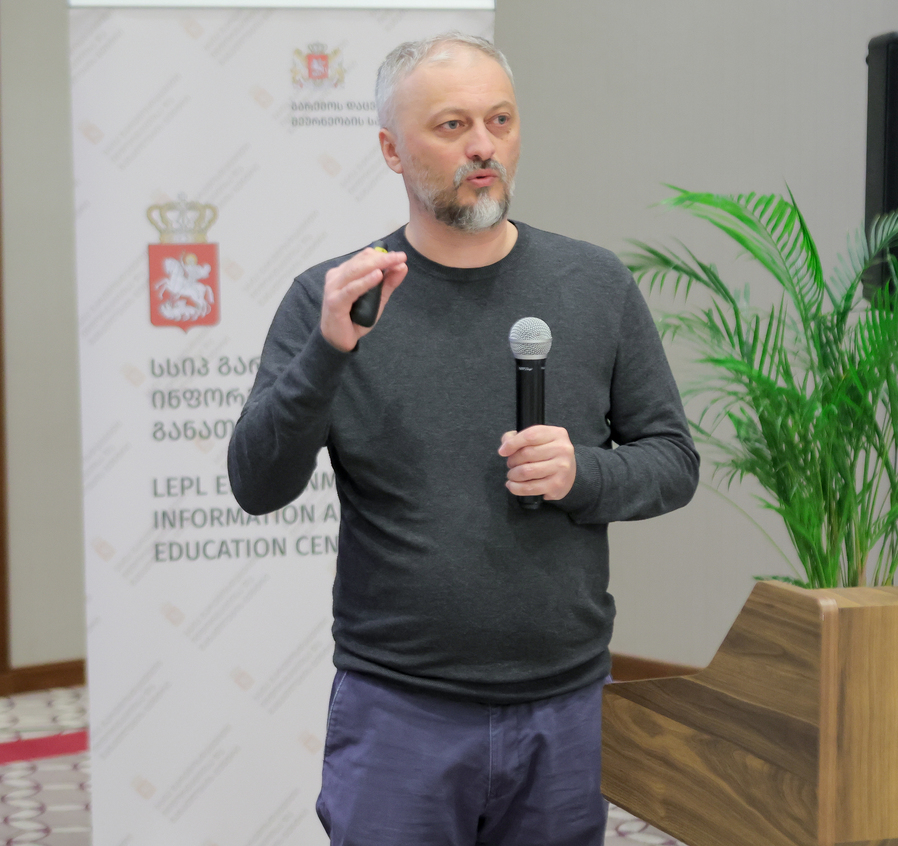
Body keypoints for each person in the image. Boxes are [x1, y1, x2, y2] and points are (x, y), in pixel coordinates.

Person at [227, 32, 699, 846]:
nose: (483, 145)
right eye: (451, 126)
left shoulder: (595, 284)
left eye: (499, 120)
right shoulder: (335, 299)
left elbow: (672, 460)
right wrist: (328, 352)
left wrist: (581, 474)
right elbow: (257, 484)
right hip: (398, 710)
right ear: (391, 150)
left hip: (566, 704)